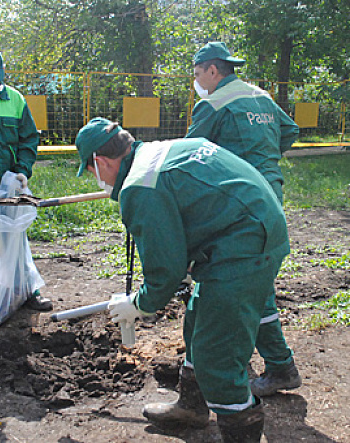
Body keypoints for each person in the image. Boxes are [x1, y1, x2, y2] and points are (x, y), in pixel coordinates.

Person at [75, 117, 291, 441]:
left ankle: (240, 427)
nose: (97, 179)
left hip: (244, 246)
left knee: (217, 356)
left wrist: (138, 304)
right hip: (254, 227)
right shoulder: (156, 152)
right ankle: (192, 407)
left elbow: (165, 271)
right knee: (197, 320)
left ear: (100, 161)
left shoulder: (139, 186)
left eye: (91, 172)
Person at [186, 41, 301, 397]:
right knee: (258, 278)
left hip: (240, 204)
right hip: (271, 195)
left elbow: (189, 156)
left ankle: (280, 365)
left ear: (212, 70)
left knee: (251, 282)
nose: (196, 80)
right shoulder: (261, 96)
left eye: (196, 73)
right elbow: (291, 131)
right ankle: (275, 362)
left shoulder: (213, 103)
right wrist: (265, 161)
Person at [0, 47, 52, 311]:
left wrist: (23, 169)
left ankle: (25, 293)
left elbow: (29, 138)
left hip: (6, 186)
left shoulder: (16, 101)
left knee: (15, 240)